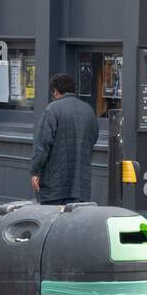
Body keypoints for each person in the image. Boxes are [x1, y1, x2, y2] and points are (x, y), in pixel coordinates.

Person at [30, 73, 101, 205]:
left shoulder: (52, 109)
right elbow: (94, 137)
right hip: (80, 185)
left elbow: (42, 144)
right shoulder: (89, 110)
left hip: (54, 186)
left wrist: (35, 172)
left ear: (56, 91)